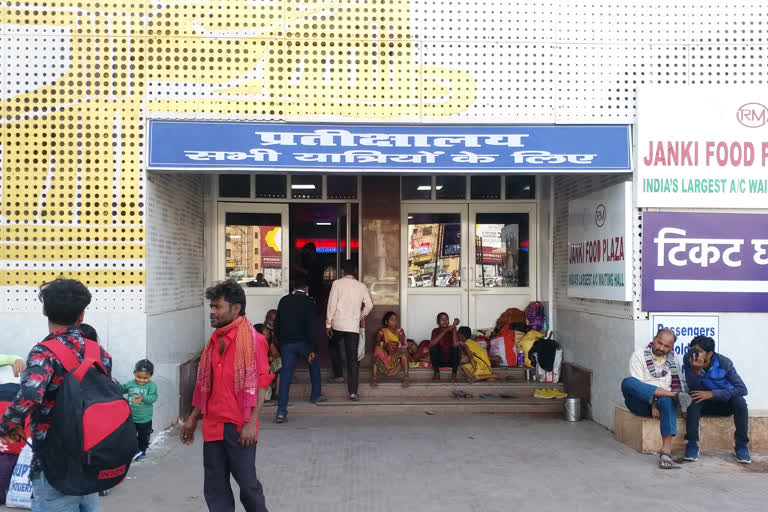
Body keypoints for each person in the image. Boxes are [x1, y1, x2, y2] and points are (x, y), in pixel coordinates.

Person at [0, 278, 112, 511]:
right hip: (90, 455)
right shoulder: (98, 352)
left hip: (54, 460)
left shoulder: (44, 352)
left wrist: (8, 425)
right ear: (82, 315)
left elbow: (31, 393)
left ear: (44, 311)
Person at [182, 279, 273, 512]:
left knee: (248, 487)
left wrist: (251, 422)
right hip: (213, 425)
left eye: (217, 307)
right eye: (211, 307)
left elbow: (262, 384)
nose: (212, 312)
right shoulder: (213, 343)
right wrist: (193, 418)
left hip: (239, 426)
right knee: (215, 488)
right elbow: (206, 386)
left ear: (235, 309)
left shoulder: (255, 341)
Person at [621, 329, 692, 469]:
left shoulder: (673, 361)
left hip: (663, 403)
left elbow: (672, 385)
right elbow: (638, 386)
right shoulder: (639, 356)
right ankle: (673, 397)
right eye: (659, 343)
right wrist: (653, 402)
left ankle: (666, 452)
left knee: (666, 399)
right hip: (640, 403)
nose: (661, 348)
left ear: (671, 347)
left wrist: (659, 402)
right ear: (654, 339)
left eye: (666, 346)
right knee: (628, 382)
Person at [682, 336, 751, 464]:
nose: (695, 354)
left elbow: (742, 389)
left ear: (710, 354)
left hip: (723, 403)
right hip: (703, 404)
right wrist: (697, 370)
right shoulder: (689, 359)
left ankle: (741, 445)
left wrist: (713, 394)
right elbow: (693, 387)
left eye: (699, 351)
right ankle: (692, 444)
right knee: (692, 399)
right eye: (693, 350)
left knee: (740, 401)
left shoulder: (725, 363)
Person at [274, 277, 326, 423]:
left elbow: (277, 324)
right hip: (304, 343)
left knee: (285, 375)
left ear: (293, 288)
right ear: (307, 289)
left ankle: (281, 412)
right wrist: (313, 348)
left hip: (287, 344)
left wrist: (281, 341)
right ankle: (315, 395)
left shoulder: (284, 300)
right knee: (314, 366)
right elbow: (311, 327)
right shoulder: (310, 302)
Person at [326, 260, 373, 401]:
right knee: (353, 359)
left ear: (342, 272)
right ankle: (353, 392)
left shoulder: (337, 284)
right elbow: (369, 305)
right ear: (355, 271)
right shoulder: (361, 286)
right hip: (353, 326)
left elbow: (332, 304)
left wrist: (328, 323)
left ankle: (339, 375)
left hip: (338, 325)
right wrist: (360, 316)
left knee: (333, 345)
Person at [121, 359, 158, 461]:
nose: (141, 380)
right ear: (134, 373)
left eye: (145, 378)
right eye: (139, 377)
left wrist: (143, 398)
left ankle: (142, 451)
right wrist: (114, 384)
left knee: (143, 437)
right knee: (130, 436)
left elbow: (153, 398)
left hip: (145, 419)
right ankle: (134, 450)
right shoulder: (131, 384)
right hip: (131, 417)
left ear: (151, 376)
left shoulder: (151, 386)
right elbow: (122, 389)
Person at [371, 312, 410, 388]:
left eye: (396, 320)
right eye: (392, 320)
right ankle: (374, 378)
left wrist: (394, 344)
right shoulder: (382, 331)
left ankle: (406, 377)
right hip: (386, 353)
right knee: (377, 349)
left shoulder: (400, 331)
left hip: (396, 354)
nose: (394, 322)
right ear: (386, 322)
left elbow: (401, 343)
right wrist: (386, 345)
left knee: (403, 350)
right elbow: (378, 342)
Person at [254, 310, 281, 401]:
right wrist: (266, 359)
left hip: (266, 364)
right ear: (267, 319)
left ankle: (277, 393)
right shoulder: (256, 329)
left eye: (276, 321)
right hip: (256, 362)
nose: (273, 323)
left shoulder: (274, 334)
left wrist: (272, 339)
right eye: (272, 320)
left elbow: (276, 355)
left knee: (281, 363)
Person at [429, 313, 461, 383]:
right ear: (438, 322)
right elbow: (432, 344)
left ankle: (454, 374)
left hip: (451, 361)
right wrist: (445, 330)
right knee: (433, 348)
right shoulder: (435, 331)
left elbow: (455, 344)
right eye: (442, 319)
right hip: (440, 361)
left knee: (455, 348)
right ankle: (437, 373)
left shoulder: (453, 330)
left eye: (446, 319)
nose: (445, 321)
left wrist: (454, 327)